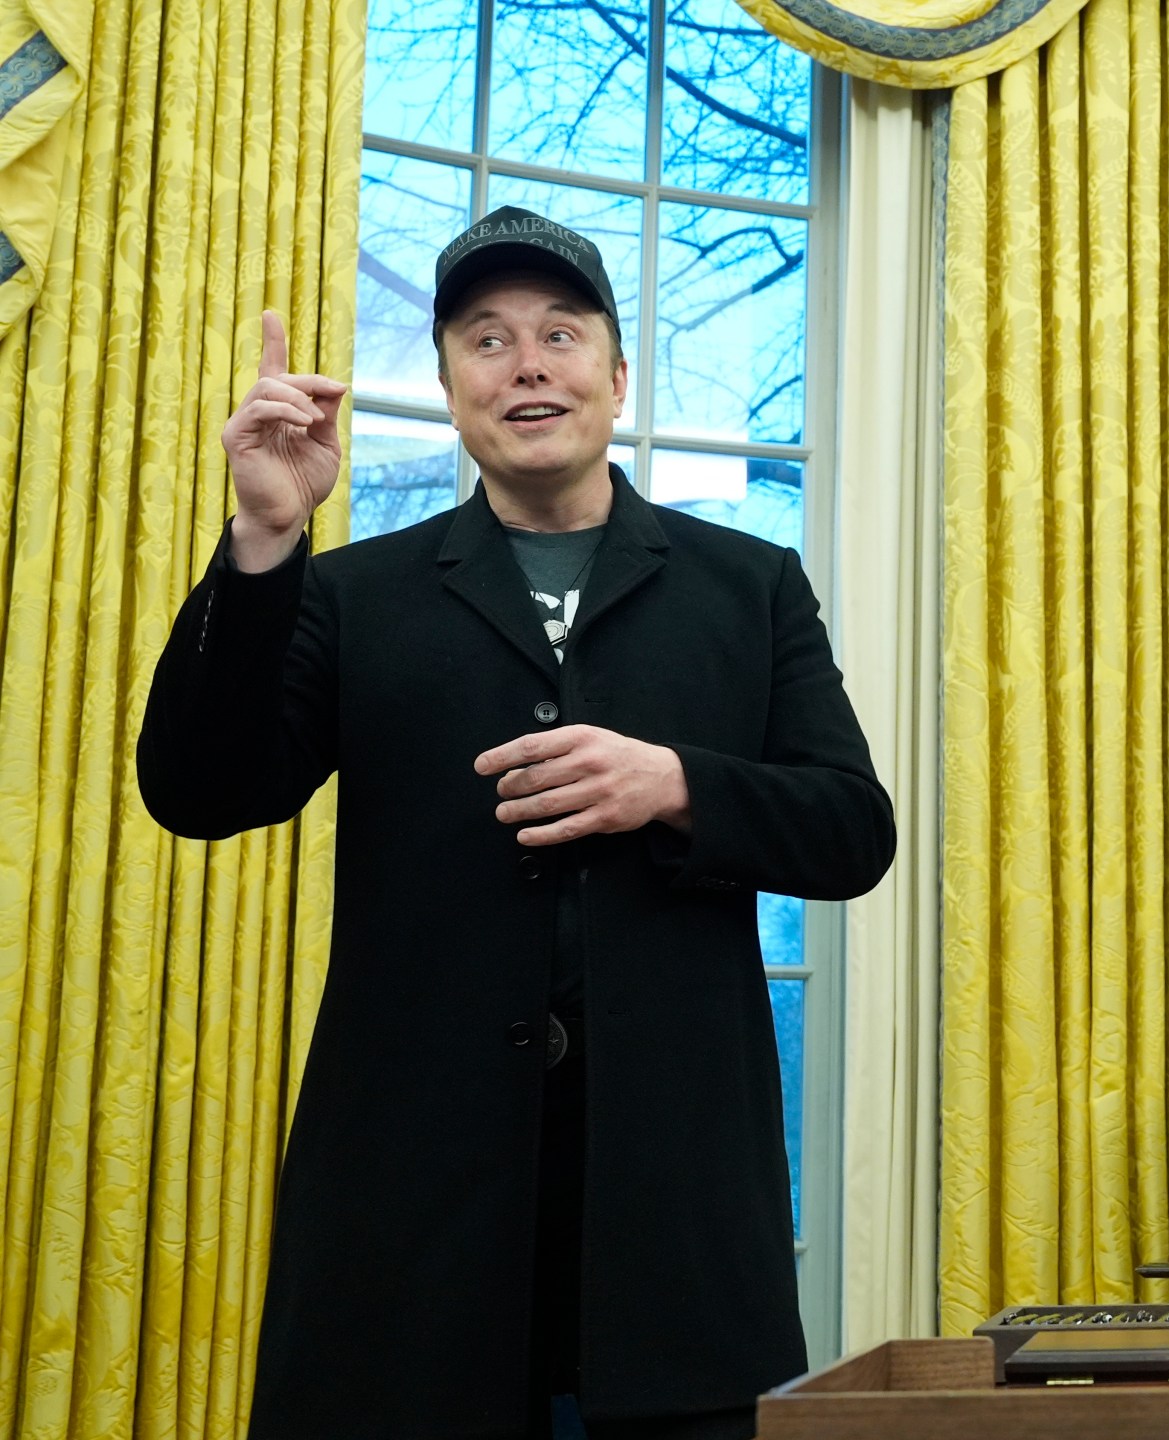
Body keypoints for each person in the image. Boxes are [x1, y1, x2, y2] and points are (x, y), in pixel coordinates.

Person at [138, 207, 896, 1439]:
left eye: (560, 333)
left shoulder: (748, 584)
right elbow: (200, 791)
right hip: (411, 1225)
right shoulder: (350, 591)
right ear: (447, 390)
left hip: (675, 1226)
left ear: (615, 373)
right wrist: (267, 538)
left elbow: (852, 829)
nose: (527, 363)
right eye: (485, 341)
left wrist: (678, 785)